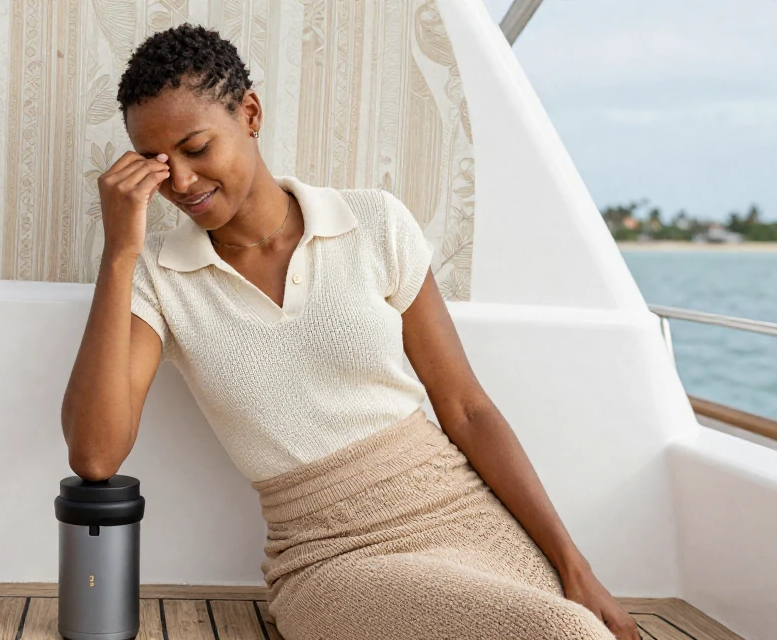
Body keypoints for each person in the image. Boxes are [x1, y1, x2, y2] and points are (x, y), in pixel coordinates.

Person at [60, 24, 639, 640]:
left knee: (574, 626)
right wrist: (119, 253)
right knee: (563, 633)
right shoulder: (157, 277)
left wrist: (575, 567)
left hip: (465, 517)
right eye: (157, 164)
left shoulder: (375, 222)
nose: (179, 182)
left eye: (196, 148)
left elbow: (467, 409)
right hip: (329, 559)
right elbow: (95, 455)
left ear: (250, 113)